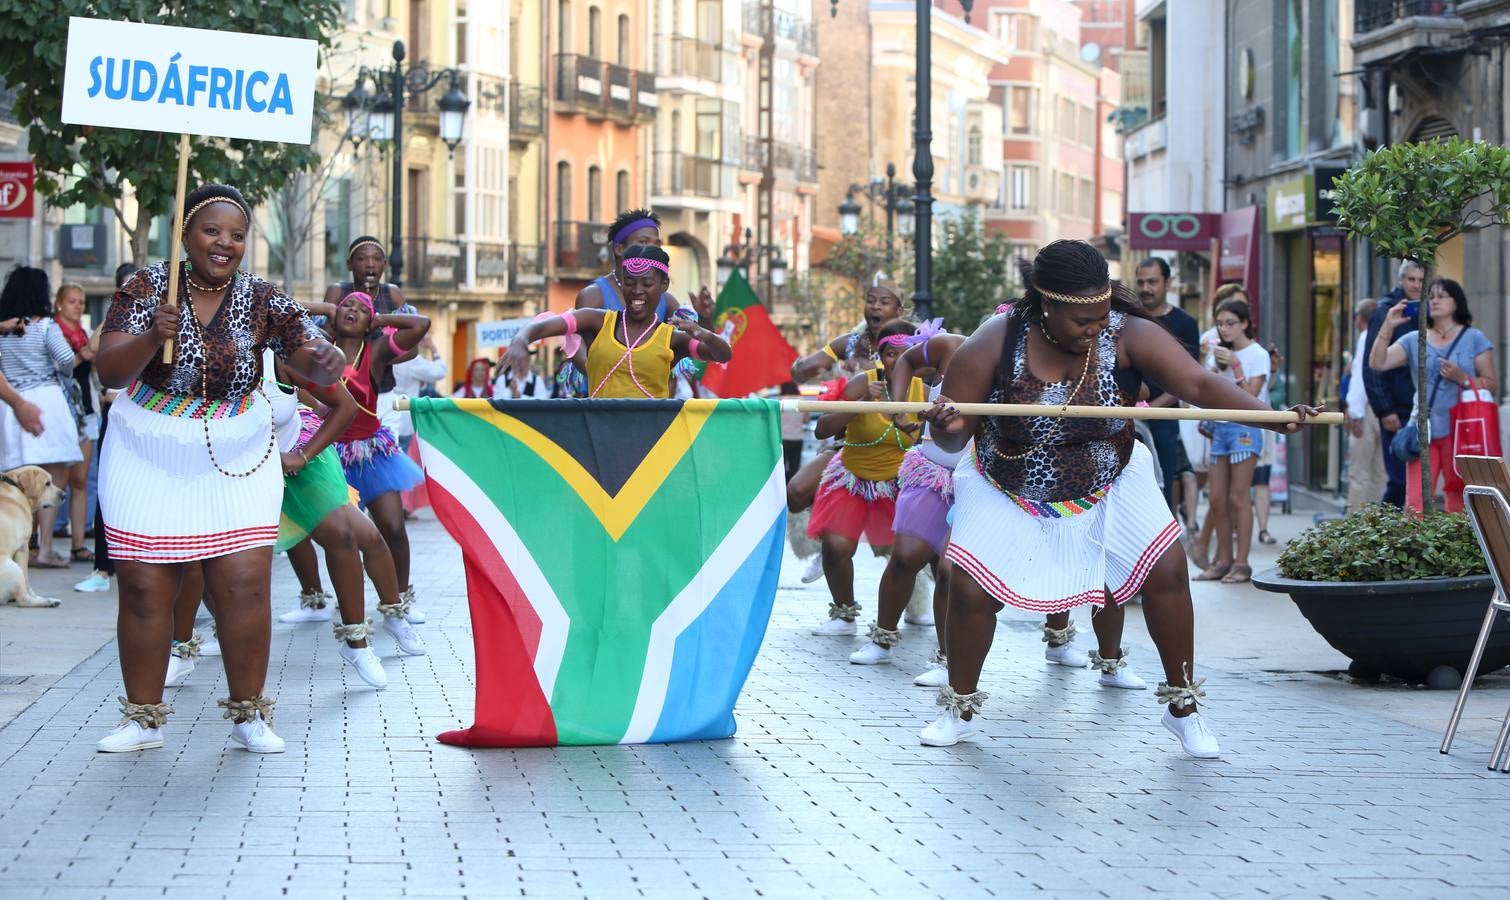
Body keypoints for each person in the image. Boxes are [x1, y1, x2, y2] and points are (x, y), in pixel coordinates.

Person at [914, 240, 1319, 757]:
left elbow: (1197, 382)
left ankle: (1184, 707)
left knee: (1169, 571)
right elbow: (952, 436)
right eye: (1081, 319)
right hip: (1010, 481)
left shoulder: (1128, 334)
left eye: (1101, 314)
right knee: (970, 588)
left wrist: (1270, 416)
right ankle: (960, 707)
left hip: (1109, 475)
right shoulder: (994, 341)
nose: (1094, 328)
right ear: (1047, 305)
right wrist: (949, 425)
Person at [93, 183, 344, 754]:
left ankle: (249, 714)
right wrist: (149, 338)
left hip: (237, 448)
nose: (224, 243)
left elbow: (301, 346)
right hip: (148, 445)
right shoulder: (147, 286)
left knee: (244, 583)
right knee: (143, 584)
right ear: (185, 235)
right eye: (212, 230)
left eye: (236, 235)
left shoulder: (262, 297)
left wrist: (321, 360)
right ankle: (142, 719)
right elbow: (109, 370)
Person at [269, 350, 426, 686]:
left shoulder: (280, 349)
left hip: (299, 459)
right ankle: (183, 647)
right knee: (201, 561)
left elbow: (338, 400)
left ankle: (375, 628)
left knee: (363, 535)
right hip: (237, 467)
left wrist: (303, 452)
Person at [848, 322, 958, 679]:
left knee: (950, 570)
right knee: (906, 556)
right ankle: (882, 639)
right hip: (931, 472)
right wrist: (898, 410)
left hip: (979, 479)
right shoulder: (952, 348)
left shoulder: (1027, 367)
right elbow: (908, 360)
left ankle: (948, 659)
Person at [317, 291, 431, 623]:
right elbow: (285, 307)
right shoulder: (319, 346)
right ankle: (349, 602)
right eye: (346, 307)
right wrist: (326, 307)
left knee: (393, 527)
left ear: (370, 322)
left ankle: (399, 600)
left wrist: (382, 319)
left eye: (360, 309)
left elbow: (420, 324)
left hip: (371, 452)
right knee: (344, 537)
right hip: (331, 456)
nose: (352, 311)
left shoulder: (376, 351)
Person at [787, 275, 909, 583]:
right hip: (849, 446)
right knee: (797, 491)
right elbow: (800, 373)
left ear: (899, 308)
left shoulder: (914, 341)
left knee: (894, 546)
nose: (875, 306)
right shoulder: (850, 343)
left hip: (901, 451)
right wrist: (814, 368)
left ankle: (924, 600)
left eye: (884, 301)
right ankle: (825, 539)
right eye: (871, 300)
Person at [808, 319, 925, 636]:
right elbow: (823, 429)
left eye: (906, 354)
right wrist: (860, 405)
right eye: (891, 354)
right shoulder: (863, 382)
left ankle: (904, 615)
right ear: (880, 355)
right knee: (835, 546)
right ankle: (844, 615)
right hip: (853, 477)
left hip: (898, 483)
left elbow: (936, 445)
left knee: (908, 556)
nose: (898, 362)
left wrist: (911, 432)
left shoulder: (924, 392)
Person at [502, 246, 731, 397]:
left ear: (664, 285)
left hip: (651, 446)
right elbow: (544, 326)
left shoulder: (671, 339)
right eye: (629, 283)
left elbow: (722, 354)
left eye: (647, 283)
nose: (637, 291)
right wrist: (521, 340)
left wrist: (704, 326)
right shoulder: (596, 321)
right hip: (597, 440)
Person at [1368, 277, 1496, 513]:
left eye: (1441, 296)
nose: (1434, 301)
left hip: (1461, 431)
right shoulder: (1415, 339)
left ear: (1456, 301)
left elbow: (1490, 384)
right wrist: (1388, 325)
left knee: (1456, 495)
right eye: (1430, 296)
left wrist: (1463, 379)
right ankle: (1416, 548)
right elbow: (1378, 362)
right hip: (1422, 430)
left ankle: (1455, 547)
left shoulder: (1474, 338)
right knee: (1414, 502)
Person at [0, 266, 84, 569]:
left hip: (11, 403)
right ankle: (45, 547)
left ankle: (17, 545)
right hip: (47, 401)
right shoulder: (46, 326)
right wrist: (60, 372)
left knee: (13, 477)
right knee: (53, 474)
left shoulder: (4, 328)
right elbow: (64, 358)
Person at [1193, 297, 1269, 584]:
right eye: (1220, 323)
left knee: (1239, 496)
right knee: (1216, 498)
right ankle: (1223, 560)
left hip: (1246, 428)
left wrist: (1236, 367)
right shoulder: (1218, 352)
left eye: (1230, 323)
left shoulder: (1257, 354)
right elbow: (1203, 387)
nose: (1224, 329)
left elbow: (1252, 397)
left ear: (1245, 324)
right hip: (1221, 429)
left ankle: (1242, 562)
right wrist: (1208, 363)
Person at [76, 263, 140, 594]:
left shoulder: (159, 320)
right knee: (108, 490)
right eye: (126, 287)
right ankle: (102, 568)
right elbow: (92, 350)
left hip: (148, 418)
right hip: (115, 416)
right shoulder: (114, 320)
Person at [1133, 258, 1200, 510]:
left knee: (1164, 485)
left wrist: (1152, 409)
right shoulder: (1126, 318)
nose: (1146, 288)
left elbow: (1190, 378)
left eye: (1152, 282)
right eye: (1141, 282)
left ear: (1167, 283)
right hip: (1123, 415)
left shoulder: (1185, 324)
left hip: (1163, 419)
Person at [574, 208, 710, 324]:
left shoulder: (665, 300)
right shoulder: (593, 296)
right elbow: (579, 350)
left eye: (657, 244)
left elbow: (698, 346)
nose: (652, 249)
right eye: (643, 242)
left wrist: (703, 318)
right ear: (619, 249)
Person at [1362, 260, 1426, 507]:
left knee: (1415, 479)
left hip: (1420, 406)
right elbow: (1372, 365)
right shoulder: (1385, 311)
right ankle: (1385, 530)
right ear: (1401, 280)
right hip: (1396, 407)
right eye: (1411, 279)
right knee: (1400, 478)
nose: (1416, 285)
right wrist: (1384, 409)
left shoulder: (1428, 309)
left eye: (1421, 280)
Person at [53, 281, 98, 564]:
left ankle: (78, 543)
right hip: (60, 410)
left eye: (81, 301)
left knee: (81, 479)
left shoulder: (85, 334)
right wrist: (83, 355)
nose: (78, 306)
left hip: (86, 408)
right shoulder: (52, 331)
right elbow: (59, 366)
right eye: (72, 301)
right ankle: (39, 540)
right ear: (59, 303)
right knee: (58, 479)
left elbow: (95, 374)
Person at [1344, 298, 1385, 511]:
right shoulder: (1385, 336)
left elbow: (1360, 376)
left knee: (1360, 472)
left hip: (1367, 408)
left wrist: (1355, 413)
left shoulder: (1365, 337)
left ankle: (1356, 527)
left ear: (1359, 319)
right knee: (1380, 473)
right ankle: (1376, 523)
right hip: (1386, 408)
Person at [779, 382, 807, 482]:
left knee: (780, 468)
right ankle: (791, 490)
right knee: (794, 468)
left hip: (782, 438)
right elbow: (806, 420)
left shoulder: (780, 401)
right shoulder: (802, 401)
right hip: (797, 438)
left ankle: (782, 490)